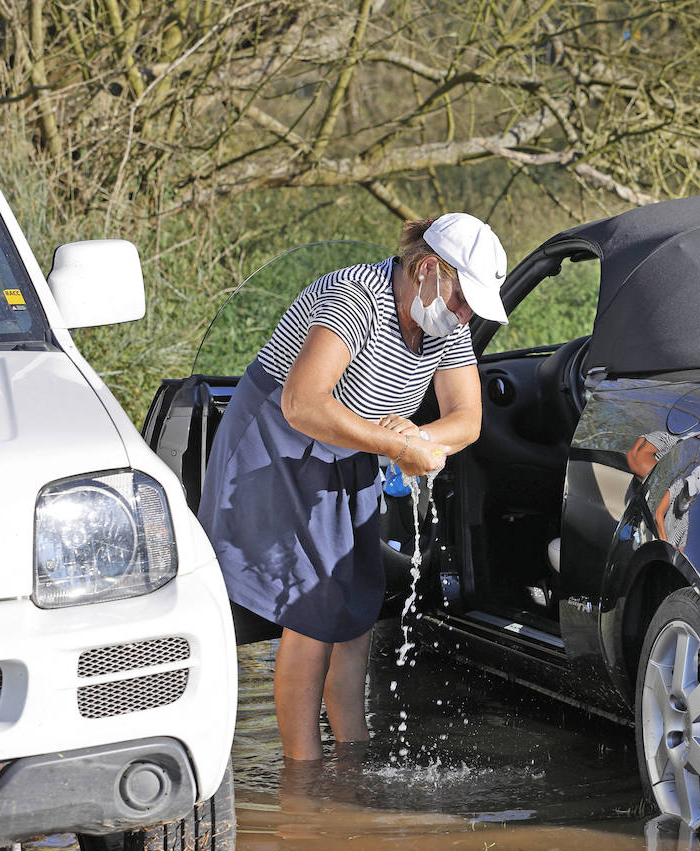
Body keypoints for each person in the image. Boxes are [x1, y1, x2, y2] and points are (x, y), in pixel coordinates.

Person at [197, 213, 508, 759]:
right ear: (428, 269)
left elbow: (468, 419)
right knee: (315, 604)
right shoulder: (354, 300)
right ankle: (304, 771)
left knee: (356, 599)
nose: (465, 317)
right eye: (462, 301)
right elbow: (303, 403)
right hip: (279, 445)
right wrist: (395, 446)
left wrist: (416, 436)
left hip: (356, 446)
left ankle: (352, 750)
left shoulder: (445, 327)